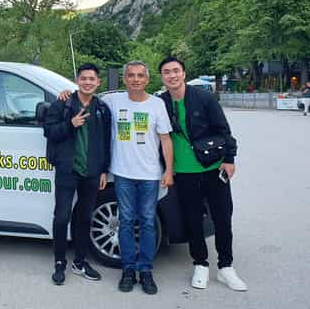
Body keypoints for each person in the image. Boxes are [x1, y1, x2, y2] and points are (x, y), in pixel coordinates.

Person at [158, 57, 246, 291]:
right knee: (192, 219)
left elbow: (223, 129)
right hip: (183, 173)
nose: (172, 75)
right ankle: (200, 264)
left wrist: (229, 158)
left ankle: (226, 267)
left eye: (176, 71)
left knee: (222, 217)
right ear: (162, 77)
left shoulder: (204, 98)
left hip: (212, 168)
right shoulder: (160, 103)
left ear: (184, 73)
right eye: (167, 72)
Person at [106, 61, 173, 295]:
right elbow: (86, 95)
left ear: (147, 79)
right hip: (122, 174)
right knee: (125, 222)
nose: (135, 79)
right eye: (131, 75)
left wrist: (169, 171)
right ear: (125, 79)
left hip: (149, 175)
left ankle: (145, 270)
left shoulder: (157, 105)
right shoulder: (113, 101)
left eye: (140, 76)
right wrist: (66, 93)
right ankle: (127, 270)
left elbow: (166, 140)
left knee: (146, 221)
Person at [44, 63, 111, 285]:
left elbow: (106, 142)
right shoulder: (63, 104)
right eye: (84, 78)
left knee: (84, 218)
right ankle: (60, 262)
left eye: (92, 79)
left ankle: (80, 262)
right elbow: (49, 132)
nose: (88, 82)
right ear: (77, 80)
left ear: (98, 82)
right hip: (67, 169)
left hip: (92, 172)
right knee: (62, 217)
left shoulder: (101, 108)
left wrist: (103, 170)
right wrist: (70, 124)